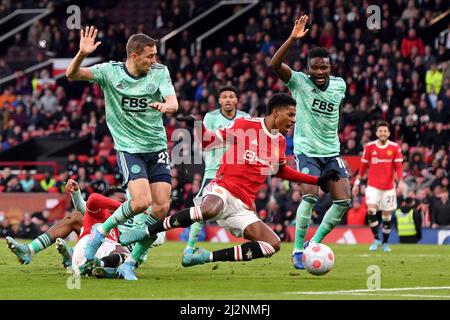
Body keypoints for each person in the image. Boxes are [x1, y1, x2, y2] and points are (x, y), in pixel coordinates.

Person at [119, 93, 340, 269]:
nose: (293, 121)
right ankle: (148, 231)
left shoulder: (280, 142)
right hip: (222, 190)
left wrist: (318, 180)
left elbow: (281, 172)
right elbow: (208, 142)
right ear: (276, 112)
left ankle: (204, 257)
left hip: (242, 206)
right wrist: (196, 124)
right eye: (290, 115)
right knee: (209, 209)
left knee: (273, 244)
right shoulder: (245, 126)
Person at [66, 26, 178, 280]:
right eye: (150, 56)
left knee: (161, 210)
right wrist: (82, 54)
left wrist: (166, 105)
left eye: (155, 55)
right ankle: (101, 233)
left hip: (157, 147)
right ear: (134, 55)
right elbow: (72, 74)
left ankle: (131, 261)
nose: (154, 60)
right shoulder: (110, 72)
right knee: (140, 203)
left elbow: (174, 102)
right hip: (129, 149)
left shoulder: (160, 73)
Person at [270, 15, 351, 269]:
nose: (319, 72)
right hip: (306, 151)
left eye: (323, 67)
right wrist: (293, 38)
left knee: (343, 201)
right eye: (314, 68)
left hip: (331, 152)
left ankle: (313, 243)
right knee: (310, 197)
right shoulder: (299, 83)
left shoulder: (340, 86)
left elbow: (335, 114)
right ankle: (296, 251)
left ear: (330, 67)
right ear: (308, 68)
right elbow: (275, 64)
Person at [182, 85, 249, 262]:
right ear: (219, 100)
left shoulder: (245, 118)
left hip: (237, 171)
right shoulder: (211, 117)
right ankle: (189, 248)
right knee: (202, 210)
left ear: (236, 100)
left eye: (231, 96)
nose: (228, 100)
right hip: (214, 170)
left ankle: (257, 244)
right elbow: (206, 142)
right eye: (224, 97)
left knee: (247, 208)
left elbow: (248, 143)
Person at [352, 121, 404, 252]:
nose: (383, 133)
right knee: (371, 210)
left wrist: (400, 182)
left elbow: (399, 167)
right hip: (373, 186)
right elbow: (363, 167)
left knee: (387, 215)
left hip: (388, 187)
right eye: (380, 131)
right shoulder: (369, 147)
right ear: (376, 133)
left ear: (389, 133)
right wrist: (357, 183)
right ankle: (376, 238)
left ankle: (385, 242)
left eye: (385, 131)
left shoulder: (395, 147)